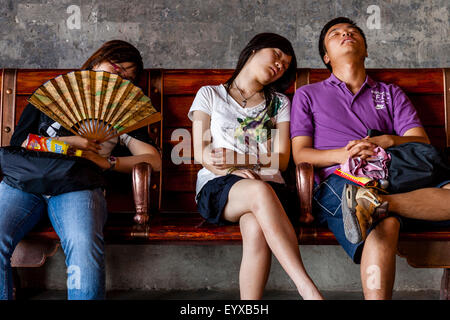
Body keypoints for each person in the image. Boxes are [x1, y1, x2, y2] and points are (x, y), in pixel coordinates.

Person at [290, 17, 450, 300]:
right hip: (341, 180)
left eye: (352, 32)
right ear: (326, 57)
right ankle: (372, 206)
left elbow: (419, 141)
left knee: (382, 209)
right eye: (335, 34)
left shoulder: (390, 93)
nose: (346, 34)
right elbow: (301, 154)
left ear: (365, 50)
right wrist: (345, 154)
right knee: (382, 222)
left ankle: (376, 204)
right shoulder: (308, 95)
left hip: (393, 175)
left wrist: (387, 140)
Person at [0, 40, 161, 300]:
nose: (120, 77)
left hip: (77, 185)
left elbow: (153, 160)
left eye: (128, 77)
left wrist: (109, 163)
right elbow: (20, 142)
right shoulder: (53, 91)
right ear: (96, 60)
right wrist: (69, 143)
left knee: (83, 245)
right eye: (117, 67)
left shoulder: (123, 109)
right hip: (25, 181)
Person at [188, 33, 323, 300]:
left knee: (255, 226)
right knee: (258, 192)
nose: (280, 65)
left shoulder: (279, 103)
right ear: (253, 50)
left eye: (285, 64)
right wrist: (227, 168)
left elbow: (282, 159)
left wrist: (238, 161)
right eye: (277, 55)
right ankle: (307, 288)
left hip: (270, 187)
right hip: (220, 187)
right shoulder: (210, 95)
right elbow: (202, 153)